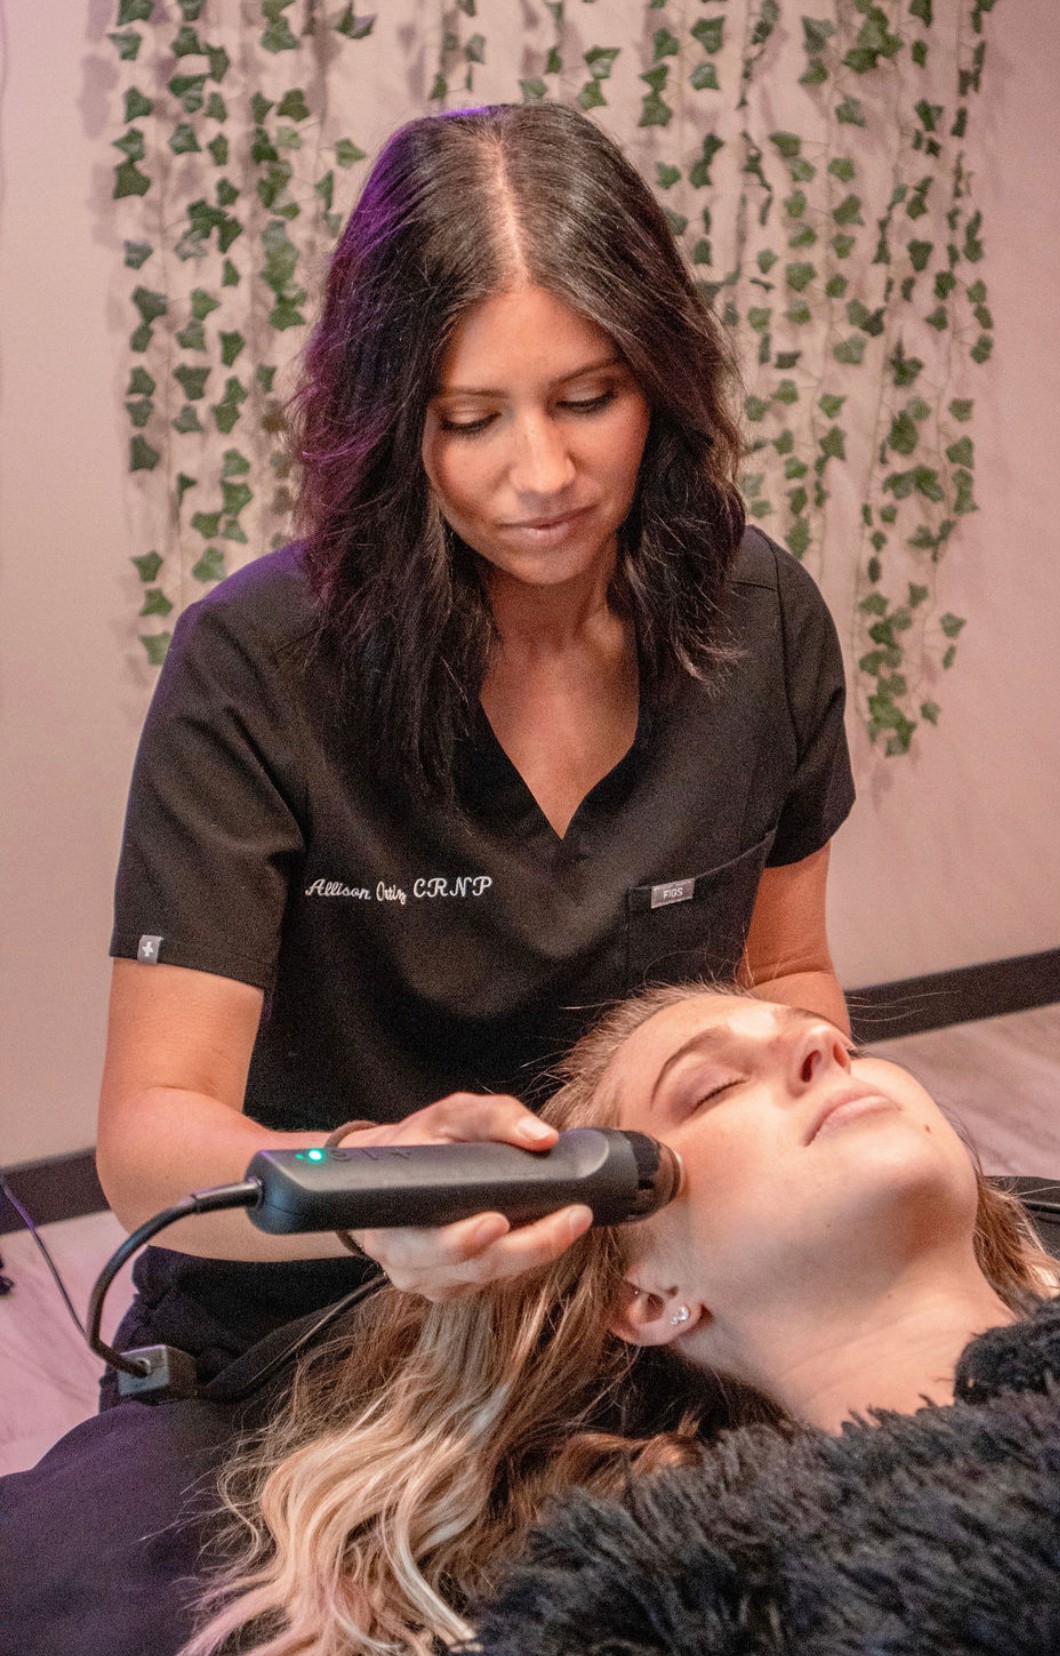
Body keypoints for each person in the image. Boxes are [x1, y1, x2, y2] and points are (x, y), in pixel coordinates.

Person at [96, 100, 856, 1393]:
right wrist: (374, 1187)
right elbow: (148, 1143)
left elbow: (785, 973)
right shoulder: (256, 665)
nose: (542, 473)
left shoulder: (761, 619)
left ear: (661, 383)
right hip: (310, 1314)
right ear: (392, 426)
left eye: (587, 399)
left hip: (646, 1291)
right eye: (470, 420)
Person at [3, 987, 1060, 1656]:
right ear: (645, 1294)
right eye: (715, 1086)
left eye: (834, 1045)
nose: (823, 1036)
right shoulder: (676, 1597)